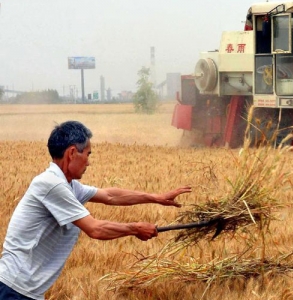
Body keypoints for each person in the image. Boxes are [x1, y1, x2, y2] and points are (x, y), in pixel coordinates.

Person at [0, 120, 192, 300]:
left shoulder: (69, 185)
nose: (89, 162)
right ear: (72, 153)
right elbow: (95, 229)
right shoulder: (51, 184)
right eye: (88, 154)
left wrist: (156, 198)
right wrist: (135, 229)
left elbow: (110, 196)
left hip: (25, 290)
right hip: (15, 289)